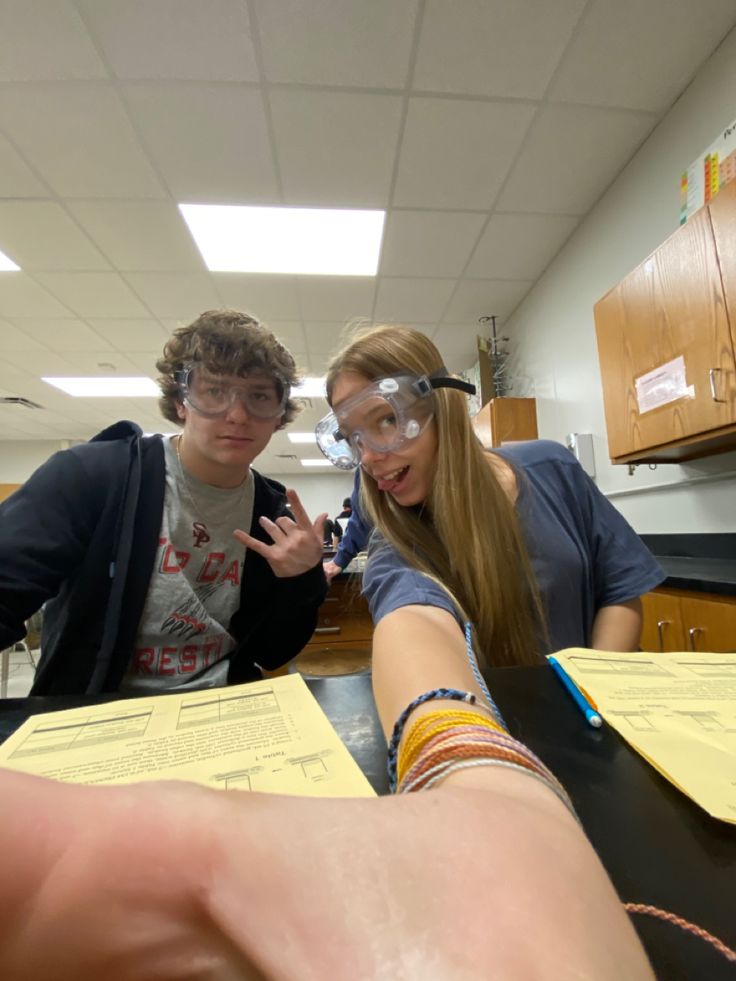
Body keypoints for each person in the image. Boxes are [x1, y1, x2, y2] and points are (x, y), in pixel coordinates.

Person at [0, 309, 328, 695]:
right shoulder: (92, 477)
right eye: (214, 391)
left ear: (279, 416)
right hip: (95, 712)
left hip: (222, 710)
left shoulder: (271, 513)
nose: (238, 415)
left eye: (259, 396)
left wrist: (302, 582)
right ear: (181, 403)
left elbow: (273, 652)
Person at [316, 324, 665, 665]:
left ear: (440, 404)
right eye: (352, 437)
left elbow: (621, 590)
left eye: (388, 419)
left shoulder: (551, 467)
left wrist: (593, 693)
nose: (368, 457)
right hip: (486, 720)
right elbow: (412, 634)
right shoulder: (395, 544)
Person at [323, 474, 371, 584]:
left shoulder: (338, 518)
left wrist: (339, 557)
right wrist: (339, 560)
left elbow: (336, 537)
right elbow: (360, 520)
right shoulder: (364, 473)